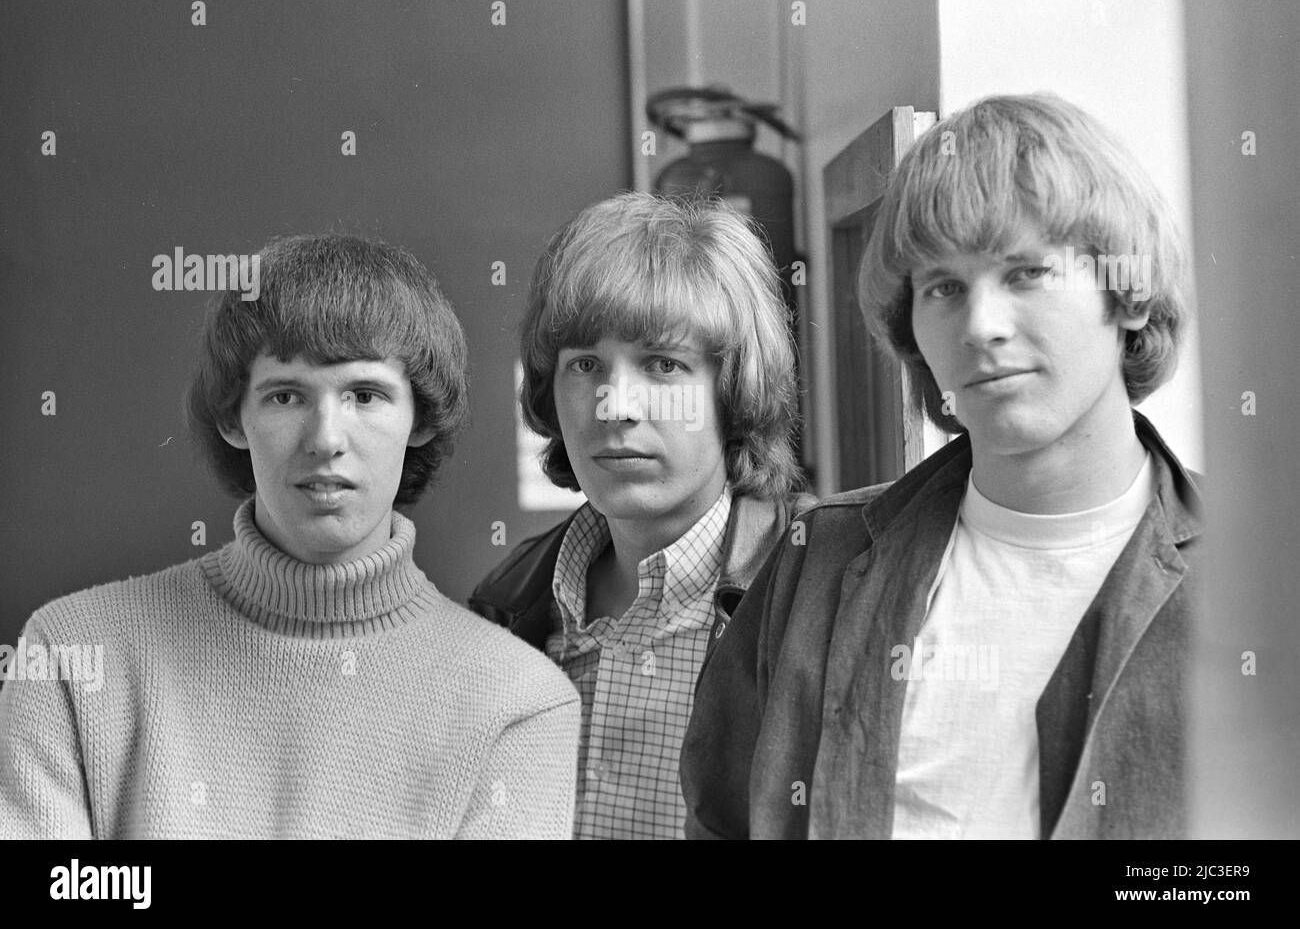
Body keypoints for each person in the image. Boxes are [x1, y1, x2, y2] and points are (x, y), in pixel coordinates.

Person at [681, 93, 1201, 839]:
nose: (982, 327)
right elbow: (720, 820)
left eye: (1025, 273)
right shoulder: (814, 562)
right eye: (944, 288)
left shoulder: (1264, 575)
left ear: (1126, 295)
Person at [0, 233, 579, 839]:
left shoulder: (520, 701)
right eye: (286, 395)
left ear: (421, 419)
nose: (326, 438)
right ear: (233, 418)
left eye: (365, 394)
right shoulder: (71, 657)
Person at [470, 192, 812, 839]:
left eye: (662, 364)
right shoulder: (505, 604)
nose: (614, 405)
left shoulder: (815, 591)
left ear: (733, 390)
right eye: (585, 365)